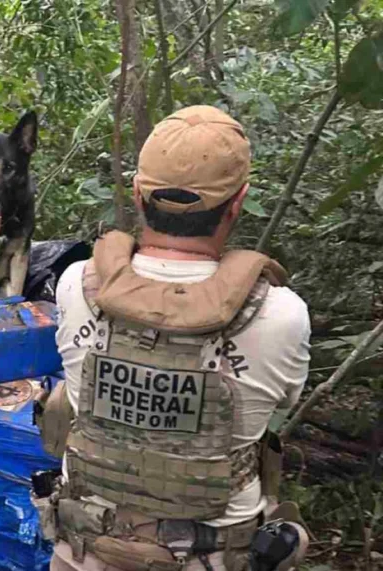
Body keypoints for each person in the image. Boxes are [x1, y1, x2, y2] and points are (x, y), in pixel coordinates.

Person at [39, 106, 311, 571]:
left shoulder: (75, 283)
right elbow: (282, 402)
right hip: (213, 558)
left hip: (86, 552)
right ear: (238, 201)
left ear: (138, 193)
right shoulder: (283, 314)